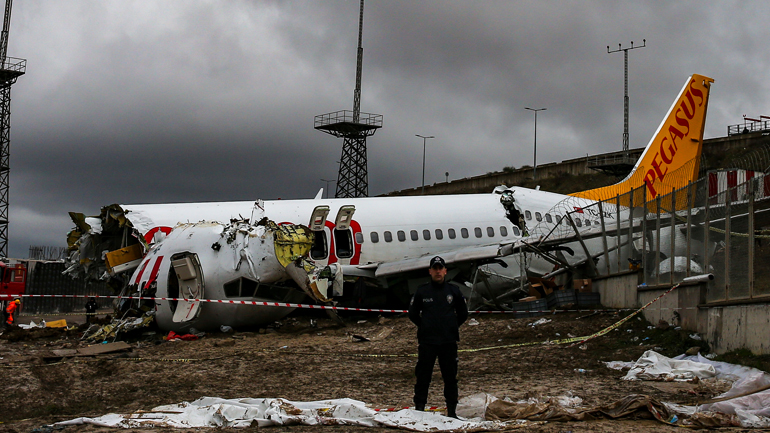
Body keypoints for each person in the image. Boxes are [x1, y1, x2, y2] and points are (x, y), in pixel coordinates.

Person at [408, 256, 468, 418]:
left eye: (440, 268)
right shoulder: (422, 291)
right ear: (430, 271)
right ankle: (419, 408)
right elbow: (413, 313)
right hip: (428, 342)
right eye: (435, 269)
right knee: (423, 376)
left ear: (445, 271)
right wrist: (425, 326)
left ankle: (452, 411)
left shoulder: (453, 291)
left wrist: (451, 326)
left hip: (448, 341)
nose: (438, 271)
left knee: (450, 377)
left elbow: (463, 313)